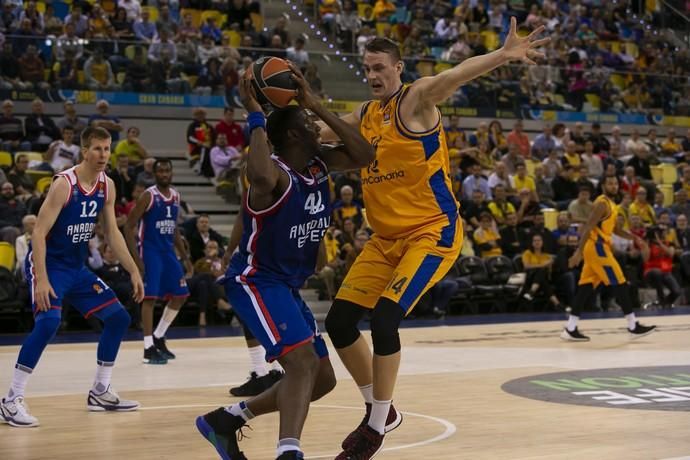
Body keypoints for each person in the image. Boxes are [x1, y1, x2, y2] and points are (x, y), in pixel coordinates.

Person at [320, 19, 549, 457]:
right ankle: (381, 408)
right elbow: (315, 136)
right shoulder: (364, 116)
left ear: (398, 67)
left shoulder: (417, 99)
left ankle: (374, 426)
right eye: (366, 68)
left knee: (385, 320)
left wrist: (502, 55)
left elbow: (455, 75)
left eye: (380, 68)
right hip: (384, 239)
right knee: (339, 323)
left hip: (431, 232)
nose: (372, 75)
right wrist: (275, 120)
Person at [195, 65, 374, 460]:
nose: (317, 126)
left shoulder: (318, 164)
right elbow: (257, 174)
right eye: (310, 122)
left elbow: (365, 154)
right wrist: (255, 114)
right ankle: (288, 452)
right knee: (302, 363)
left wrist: (316, 105)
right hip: (256, 280)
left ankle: (226, 419)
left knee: (322, 379)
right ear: (293, 135)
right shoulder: (272, 173)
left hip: (286, 284)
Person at [0, 127, 144, 428]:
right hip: (49, 265)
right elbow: (38, 232)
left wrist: (133, 269)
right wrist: (40, 278)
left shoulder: (107, 185)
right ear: (83, 150)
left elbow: (112, 232)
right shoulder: (64, 184)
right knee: (49, 322)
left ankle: (101, 390)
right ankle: (11, 399)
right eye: (97, 149)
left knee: (118, 318)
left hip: (76, 268)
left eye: (107, 149)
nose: (103, 155)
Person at [561, 175, 656, 341]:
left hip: (599, 248)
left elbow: (616, 230)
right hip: (597, 248)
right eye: (610, 183)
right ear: (603, 186)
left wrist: (635, 238)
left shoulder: (613, 205)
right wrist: (578, 252)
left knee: (585, 287)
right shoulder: (602, 203)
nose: (614, 186)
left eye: (616, 183)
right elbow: (588, 226)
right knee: (620, 282)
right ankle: (633, 325)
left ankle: (570, 327)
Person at [124, 159, 192, 365]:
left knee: (181, 295)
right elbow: (128, 226)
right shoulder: (149, 195)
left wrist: (185, 257)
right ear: (154, 174)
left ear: (172, 173)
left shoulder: (176, 196)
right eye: (160, 171)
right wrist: (136, 260)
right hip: (150, 251)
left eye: (167, 171)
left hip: (168, 252)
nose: (164, 174)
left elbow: (174, 229)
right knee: (150, 299)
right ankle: (147, 348)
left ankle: (159, 336)